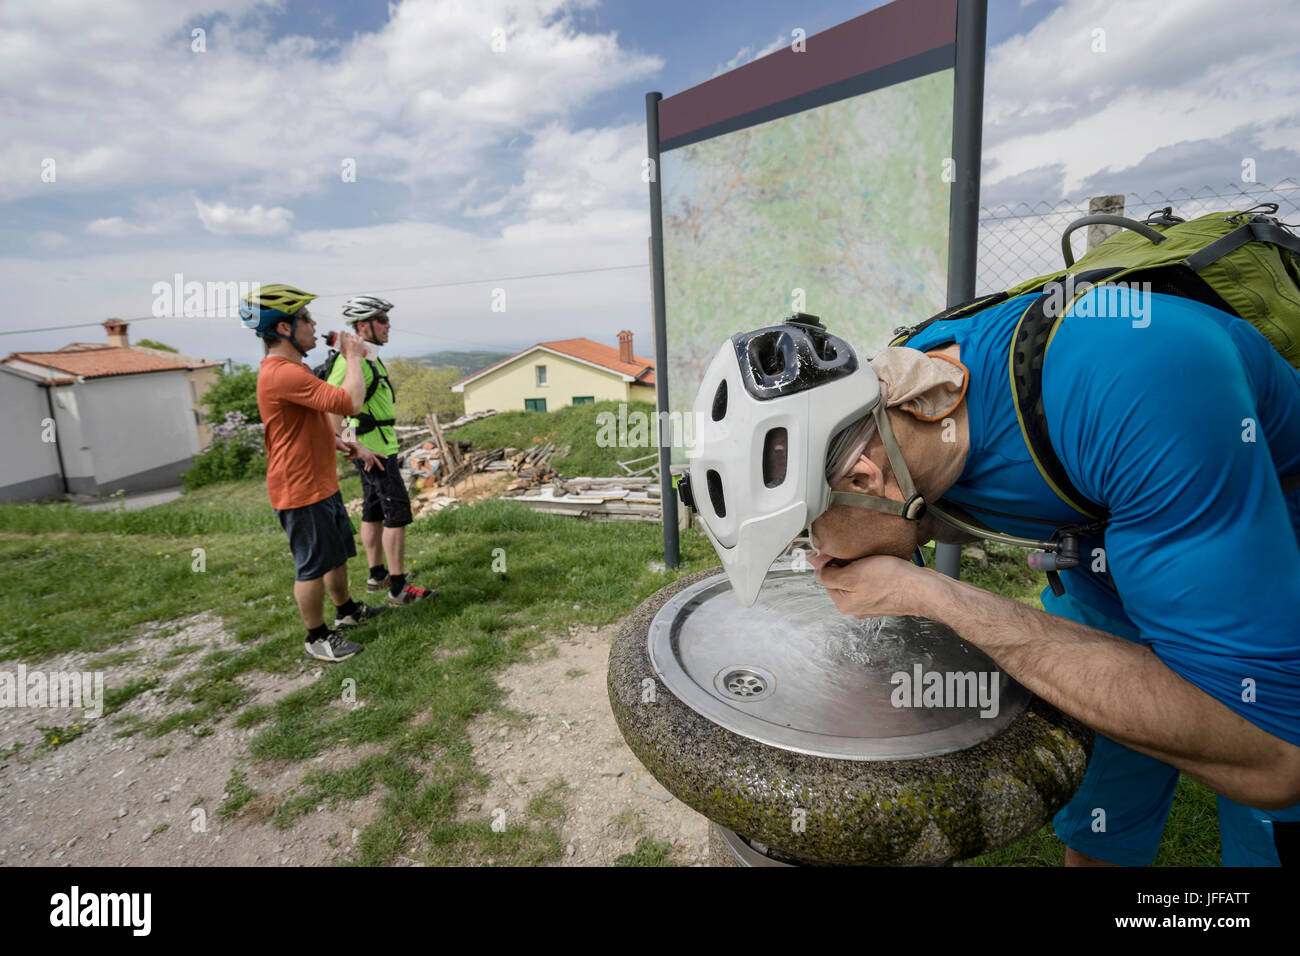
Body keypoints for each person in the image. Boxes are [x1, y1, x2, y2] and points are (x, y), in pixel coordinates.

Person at [682, 299, 1300, 866]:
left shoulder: (1137, 385)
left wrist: (932, 595)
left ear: (867, 481)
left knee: (1265, 813)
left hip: (1263, 544)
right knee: (1102, 784)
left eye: (807, 538)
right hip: (1104, 549)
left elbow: (1272, 755)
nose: (818, 562)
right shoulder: (905, 402)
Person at [241, 283, 388, 662]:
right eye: (305, 318)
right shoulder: (281, 373)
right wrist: (353, 356)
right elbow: (351, 402)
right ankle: (316, 637)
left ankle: (346, 612)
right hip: (299, 488)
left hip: (320, 481)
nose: (313, 324)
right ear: (285, 329)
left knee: (335, 555)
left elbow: (312, 417)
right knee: (311, 566)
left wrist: (343, 443)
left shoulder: (294, 369)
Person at [324, 294, 436, 606]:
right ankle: (399, 588)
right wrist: (353, 446)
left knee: (373, 511)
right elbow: (333, 408)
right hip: (375, 454)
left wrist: (354, 445)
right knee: (397, 514)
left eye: (387, 319)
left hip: (376, 449)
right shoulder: (348, 361)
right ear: (363, 325)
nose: (389, 325)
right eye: (382, 319)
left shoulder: (367, 357)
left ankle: (377, 574)